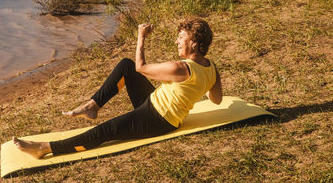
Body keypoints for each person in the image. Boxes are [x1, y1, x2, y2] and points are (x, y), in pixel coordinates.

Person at [13, 18, 222, 158]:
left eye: (181, 38)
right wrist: (192, 90)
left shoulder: (180, 68)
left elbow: (142, 68)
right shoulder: (211, 68)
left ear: (194, 43)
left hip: (158, 119)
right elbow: (216, 100)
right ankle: (93, 105)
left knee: (106, 130)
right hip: (154, 104)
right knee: (125, 66)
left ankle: (44, 148)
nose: (176, 41)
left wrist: (141, 37)